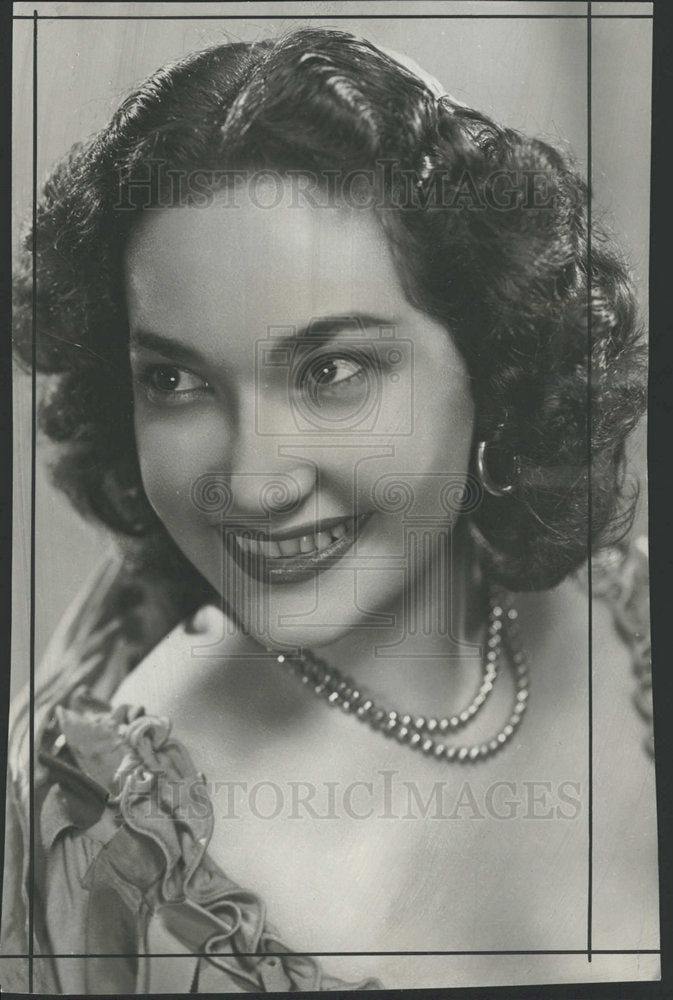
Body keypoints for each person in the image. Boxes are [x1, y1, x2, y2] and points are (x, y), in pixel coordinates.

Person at [4, 27, 656, 993]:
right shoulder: (128, 854)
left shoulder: (632, 623)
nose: (254, 482)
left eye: (331, 372)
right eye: (175, 380)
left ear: (492, 363)